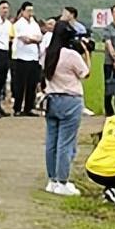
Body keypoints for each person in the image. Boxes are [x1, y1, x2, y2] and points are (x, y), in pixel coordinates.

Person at [43, 20, 91, 196]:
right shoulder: (71, 55)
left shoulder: (48, 53)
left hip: (51, 99)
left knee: (52, 141)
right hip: (70, 100)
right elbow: (85, 73)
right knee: (66, 142)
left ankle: (52, 180)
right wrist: (86, 53)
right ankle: (62, 181)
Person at [11, 2, 43, 117]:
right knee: (20, 84)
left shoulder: (34, 24)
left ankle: (29, 107)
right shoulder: (19, 24)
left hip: (33, 57)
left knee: (32, 84)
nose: (30, 13)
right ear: (23, 11)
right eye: (28, 11)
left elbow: (40, 38)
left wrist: (32, 39)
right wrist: (34, 39)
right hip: (21, 57)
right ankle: (17, 108)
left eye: (31, 11)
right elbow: (25, 39)